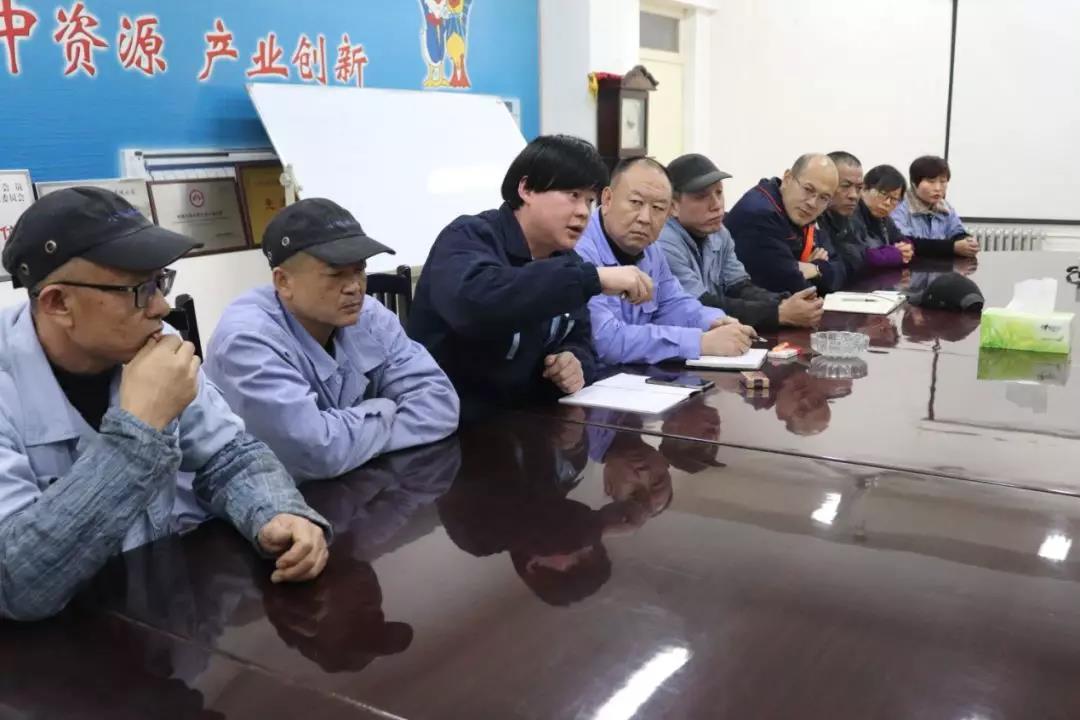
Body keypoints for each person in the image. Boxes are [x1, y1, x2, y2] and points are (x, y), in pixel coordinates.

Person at [0, 188, 330, 621]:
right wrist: (138, 430)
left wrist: (275, 511)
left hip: (160, 617)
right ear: (58, 303)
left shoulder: (153, 344)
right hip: (55, 649)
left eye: (160, 281)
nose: (161, 306)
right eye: (139, 289)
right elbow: (15, 584)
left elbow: (228, 455)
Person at [204, 199, 459, 481]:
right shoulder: (246, 340)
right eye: (336, 274)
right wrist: (383, 409)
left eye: (359, 270)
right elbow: (312, 452)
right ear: (283, 282)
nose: (355, 287)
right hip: (246, 502)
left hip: (351, 487)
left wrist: (346, 444)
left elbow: (440, 404)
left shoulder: (369, 315)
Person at [407, 135, 655, 422]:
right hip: (451, 423)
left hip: (529, 423)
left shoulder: (566, 261)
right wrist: (592, 278)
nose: (583, 212)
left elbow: (580, 339)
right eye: (572, 195)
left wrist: (574, 363)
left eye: (589, 200)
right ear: (525, 189)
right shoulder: (468, 236)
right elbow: (477, 304)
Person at [574, 156, 756, 365]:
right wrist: (700, 342)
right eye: (636, 203)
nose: (645, 218)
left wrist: (714, 321)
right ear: (607, 199)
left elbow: (672, 303)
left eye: (658, 208)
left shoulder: (651, 249)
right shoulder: (579, 250)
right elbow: (606, 341)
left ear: (670, 212)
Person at [659, 153, 823, 331]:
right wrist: (779, 313)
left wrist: (784, 302)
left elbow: (739, 286)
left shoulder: (718, 232)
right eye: (701, 196)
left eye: (719, 193)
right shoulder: (663, 242)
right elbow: (700, 305)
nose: (716, 205)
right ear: (673, 205)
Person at [725, 153, 847, 295]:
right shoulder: (760, 214)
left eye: (824, 198)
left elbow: (840, 270)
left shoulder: (800, 212)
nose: (812, 203)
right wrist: (814, 272)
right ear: (788, 178)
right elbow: (794, 287)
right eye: (808, 189)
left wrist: (815, 268)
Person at [891, 155, 980, 258]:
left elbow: (957, 232)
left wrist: (968, 242)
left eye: (943, 182)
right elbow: (905, 243)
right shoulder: (899, 206)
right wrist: (952, 247)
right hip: (911, 265)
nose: (938, 188)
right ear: (914, 183)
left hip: (940, 264)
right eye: (931, 182)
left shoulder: (945, 206)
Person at [854, 164, 915, 269]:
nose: (887, 203)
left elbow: (901, 239)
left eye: (894, 199)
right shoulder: (852, 213)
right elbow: (860, 257)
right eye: (883, 194)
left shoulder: (884, 218)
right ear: (864, 189)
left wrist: (907, 248)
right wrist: (895, 254)